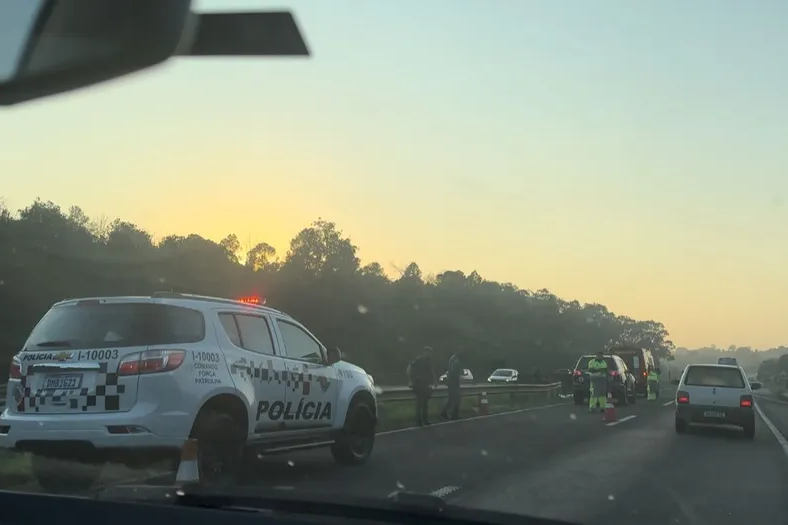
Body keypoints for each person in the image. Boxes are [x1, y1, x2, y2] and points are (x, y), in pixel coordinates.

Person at [407, 346, 436, 426]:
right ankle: (418, 420)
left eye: (430, 353)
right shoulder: (418, 360)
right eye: (427, 352)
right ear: (424, 352)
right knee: (420, 403)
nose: (429, 354)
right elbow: (409, 369)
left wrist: (434, 382)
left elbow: (431, 372)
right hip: (419, 384)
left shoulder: (429, 361)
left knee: (425, 403)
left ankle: (425, 419)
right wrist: (411, 381)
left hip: (426, 384)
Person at [441, 351, 463, 420]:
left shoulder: (452, 359)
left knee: (452, 399)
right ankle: (453, 414)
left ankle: (446, 412)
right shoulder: (455, 361)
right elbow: (454, 372)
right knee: (456, 398)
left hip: (451, 381)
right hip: (454, 381)